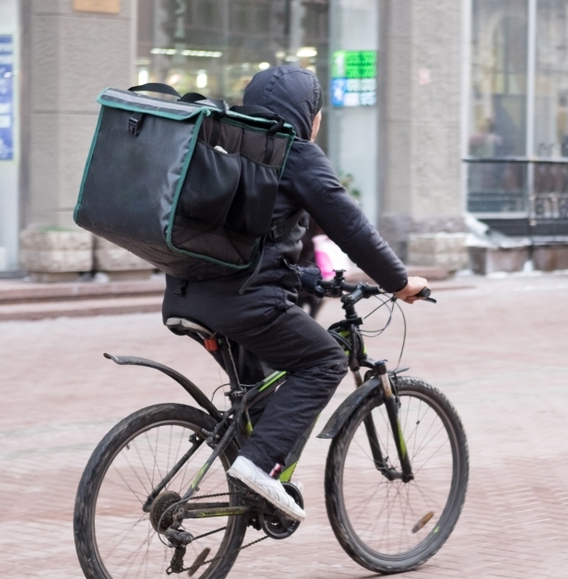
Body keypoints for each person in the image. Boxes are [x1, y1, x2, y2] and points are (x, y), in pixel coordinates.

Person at [162, 66, 430, 521]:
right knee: (324, 360)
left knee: (264, 394)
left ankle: (256, 491)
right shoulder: (294, 153)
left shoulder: (223, 143)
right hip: (246, 305)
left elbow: (249, 244)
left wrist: (309, 279)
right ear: (310, 115)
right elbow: (351, 226)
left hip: (187, 296)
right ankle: (258, 465)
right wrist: (399, 282)